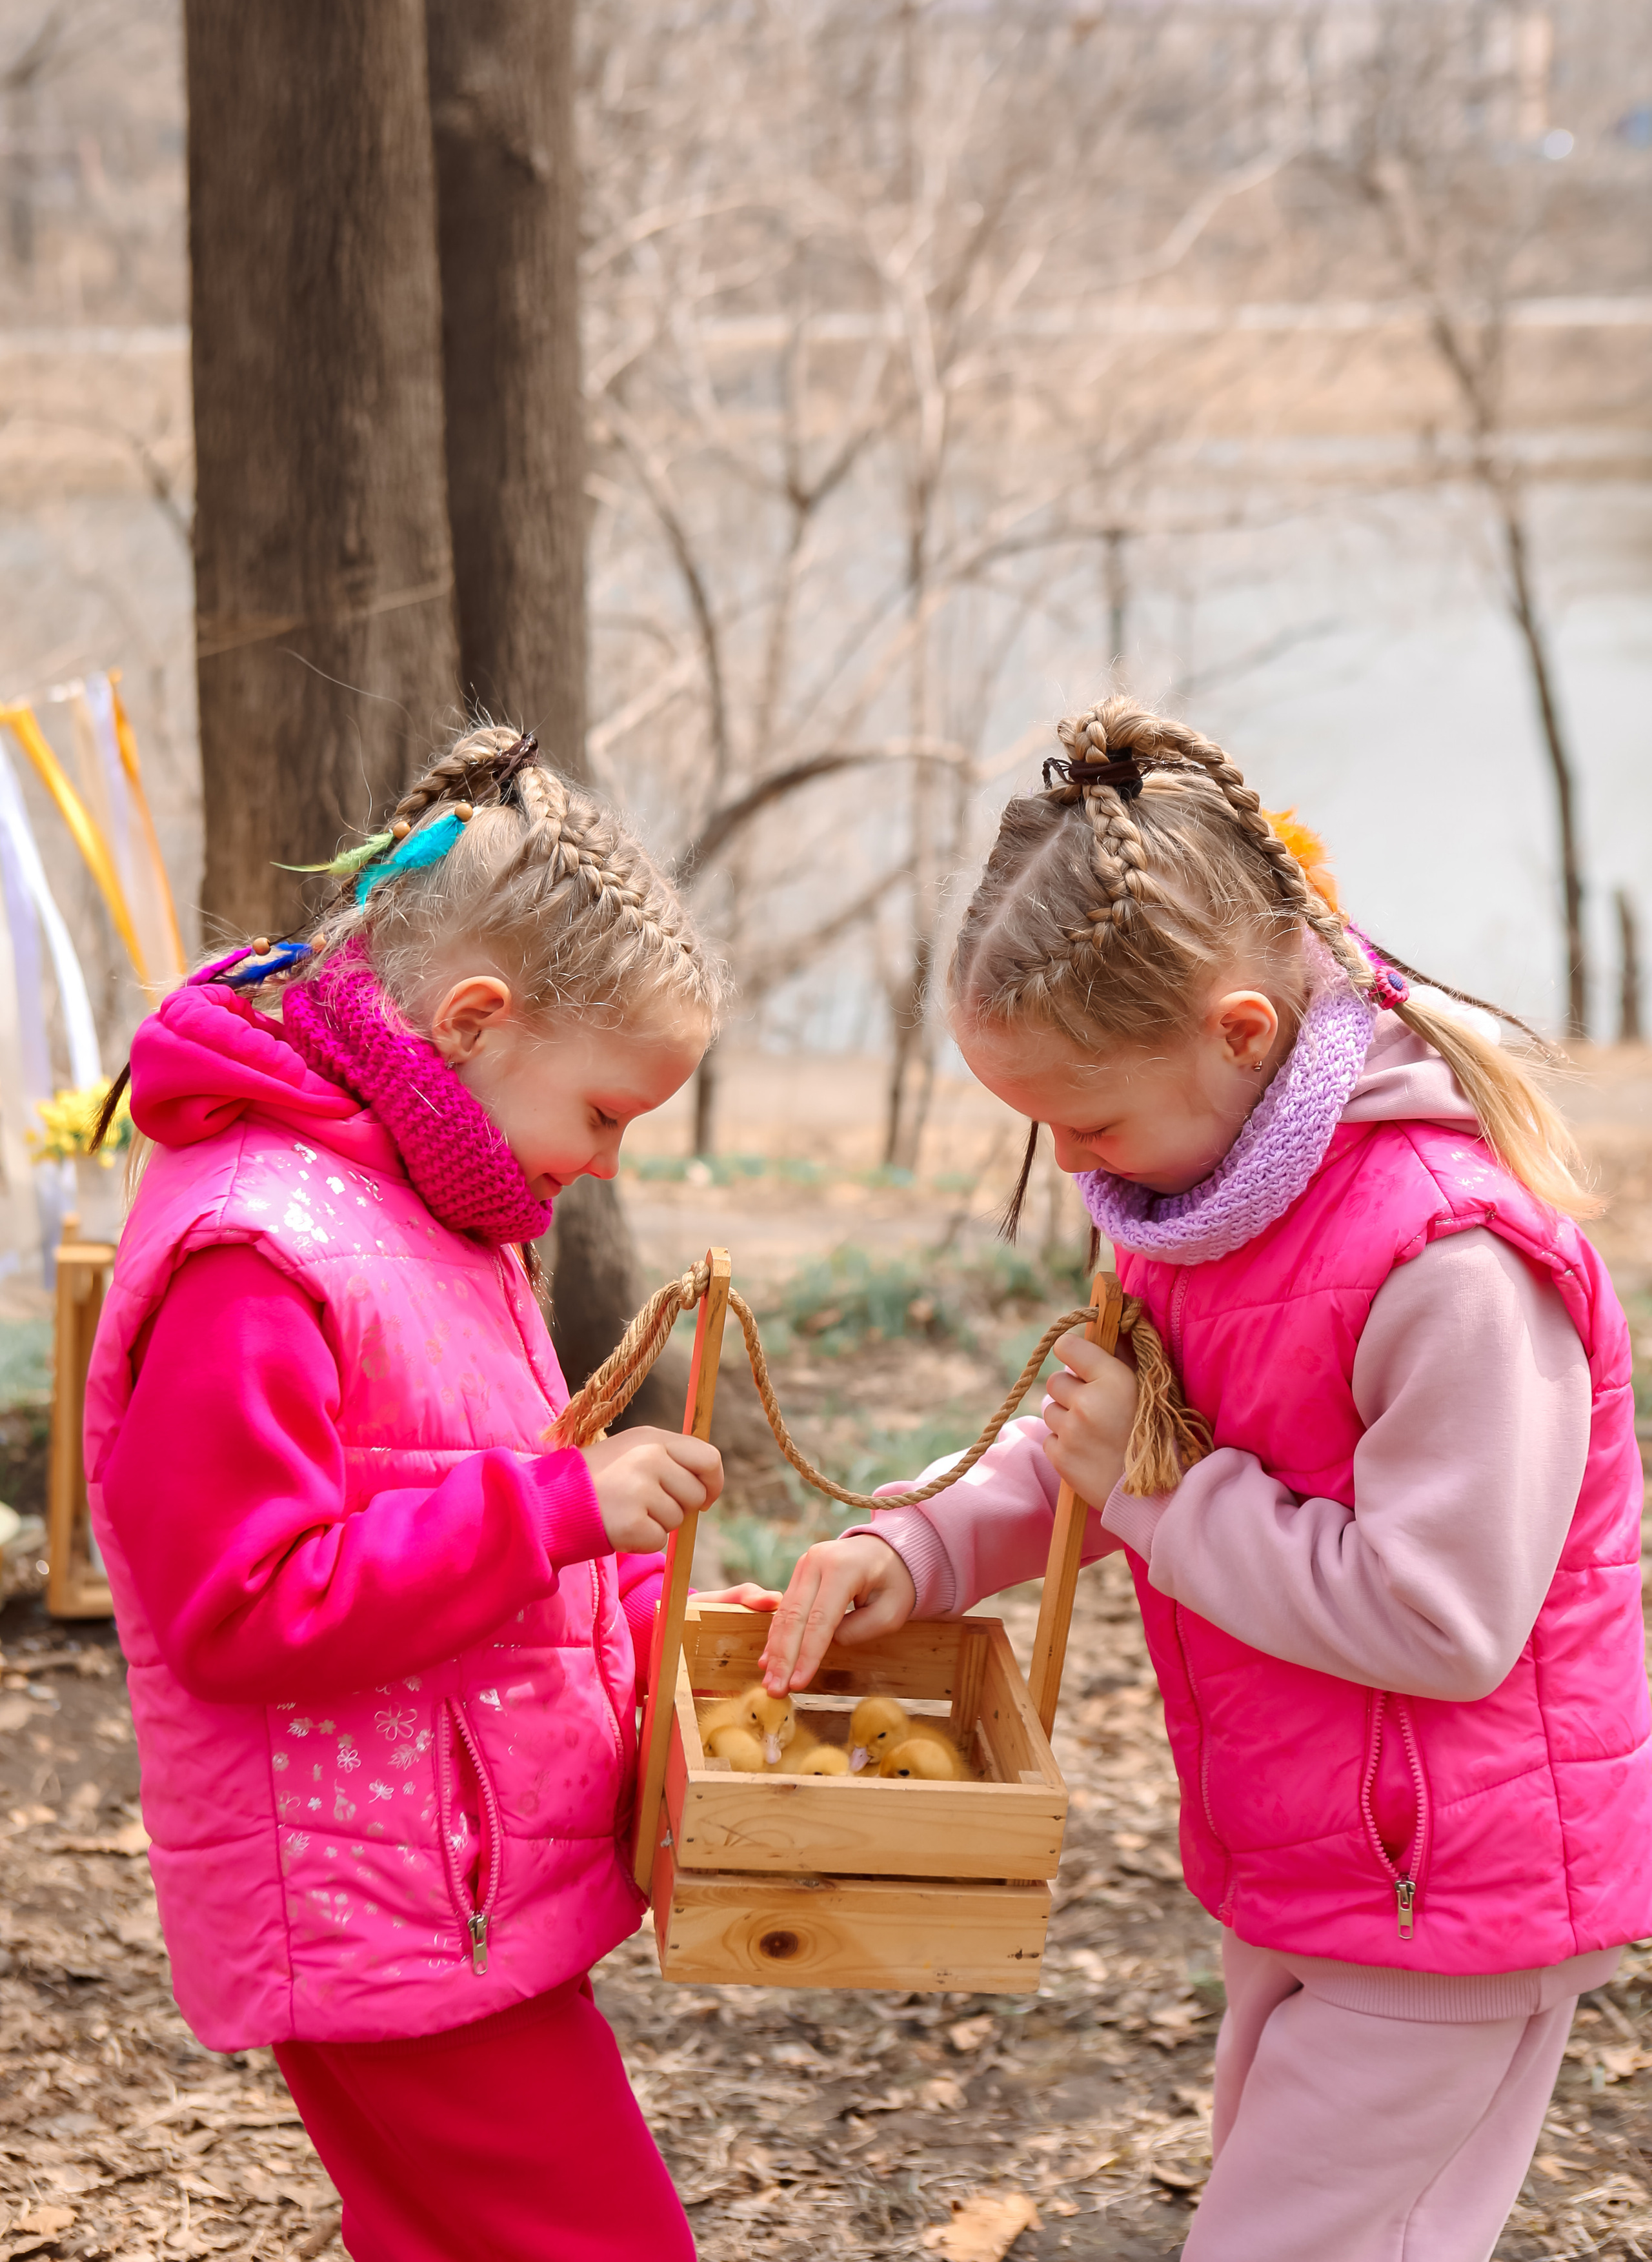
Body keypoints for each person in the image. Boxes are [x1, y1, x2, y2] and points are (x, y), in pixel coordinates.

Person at [762, 694, 1652, 2262]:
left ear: (1240, 1032)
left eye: (1081, 1114)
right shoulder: (1190, 1198)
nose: (1066, 1163)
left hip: (1452, 1889)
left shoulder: (1448, 1260)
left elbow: (1440, 1617)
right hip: (1314, 1858)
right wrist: (920, 1547)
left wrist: (1158, 1504)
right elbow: (1105, 1452)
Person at [84, 725, 773, 2262]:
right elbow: (242, 1606)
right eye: (605, 1113)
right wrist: (559, 1515)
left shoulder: (438, 1210)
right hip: (371, 1910)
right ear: (474, 1020)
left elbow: (481, 1512)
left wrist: (669, 1631)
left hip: (446, 1886)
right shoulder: (259, 1252)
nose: (603, 1163)